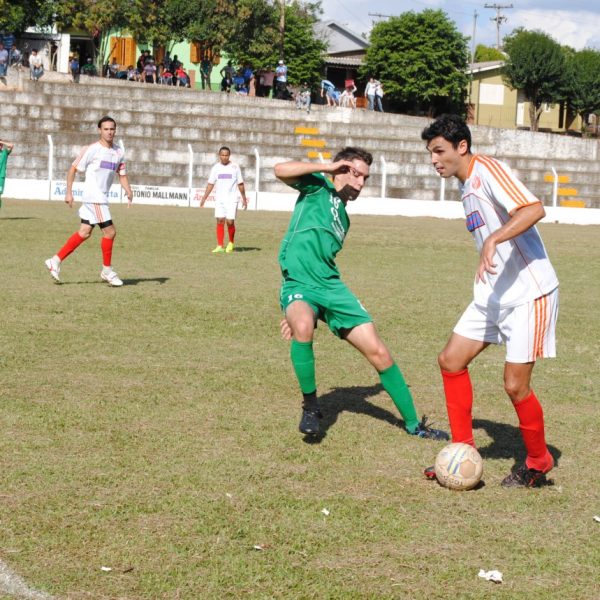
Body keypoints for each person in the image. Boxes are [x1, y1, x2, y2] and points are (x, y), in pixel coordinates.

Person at [420, 114, 559, 488]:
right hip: (493, 293)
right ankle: (462, 452)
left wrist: (495, 239)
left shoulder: (489, 171)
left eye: (438, 151)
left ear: (461, 147)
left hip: (529, 293)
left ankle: (538, 462)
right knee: (451, 360)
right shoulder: (467, 185)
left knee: (515, 385)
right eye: (430, 153)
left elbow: (533, 209)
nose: (434, 160)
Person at [274, 148, 449, 440]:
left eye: (365, 178)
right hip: (300, 286)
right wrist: (328, 167)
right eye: (355, 174)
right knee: (303, 326)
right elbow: (280, 168)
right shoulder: (316, 185)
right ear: (341, 169)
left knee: (379, 352)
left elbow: (321, 258)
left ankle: (414, 425)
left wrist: (313, 310)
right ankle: (311, 406)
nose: (359, 184)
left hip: (331, 288)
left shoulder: (344, 218)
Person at [45, 116, 133, 286]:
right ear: (99, 130)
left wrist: (128, 190)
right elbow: (73, 169)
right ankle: (107, 270)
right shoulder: (92, 149)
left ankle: (54, 261)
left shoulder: (119, 152)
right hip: (95, 198)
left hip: (100, 198)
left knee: (85, 232)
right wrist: (68, 193)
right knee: (110, 232)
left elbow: (122, 174)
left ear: (116, 130)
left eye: (112, 129)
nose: (109, 132)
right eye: (106, 129)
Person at [199, 147, 248, 254]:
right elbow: (210, 184)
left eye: (226, 155)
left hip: (232, 199)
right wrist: (204, 197)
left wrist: (244, 198)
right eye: (222, 155)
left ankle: (231, 242)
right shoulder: (216, 168)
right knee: (220, 220)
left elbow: (240, 184)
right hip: (220, 199)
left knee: (230, 222)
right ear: (219, 155)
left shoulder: (235, 167)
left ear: (229, 156)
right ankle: (220, 245)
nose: (224, 157)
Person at [0, 138, 14, 208]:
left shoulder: (5, 152)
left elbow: (11, 145)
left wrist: (1, 142)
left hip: (1, 177)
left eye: (0, 145)